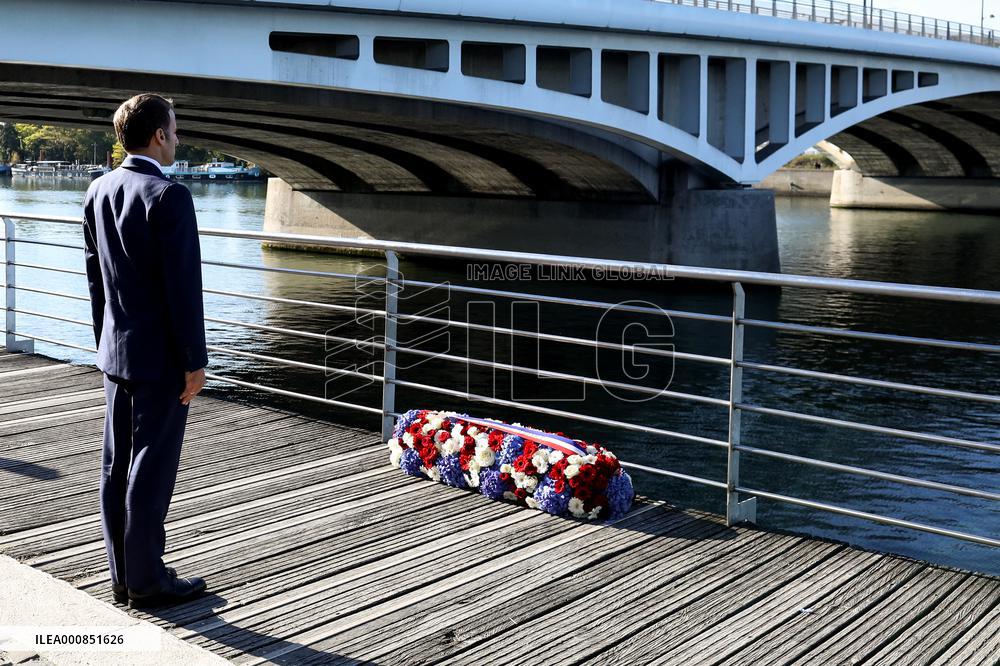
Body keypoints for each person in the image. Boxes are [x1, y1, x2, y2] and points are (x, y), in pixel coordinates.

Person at [83, 93, 208, 608]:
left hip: (118, 354)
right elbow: (184, 289)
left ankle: (122, 575)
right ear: (158, 134)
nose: (177, 138)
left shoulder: (98, 190)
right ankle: (147, 580)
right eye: (174, 130)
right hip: (160, 361)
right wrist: (194, 360)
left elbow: (97, 282)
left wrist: (106, 344)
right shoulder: (168, 195)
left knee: (116, 466)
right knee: (151, 467)